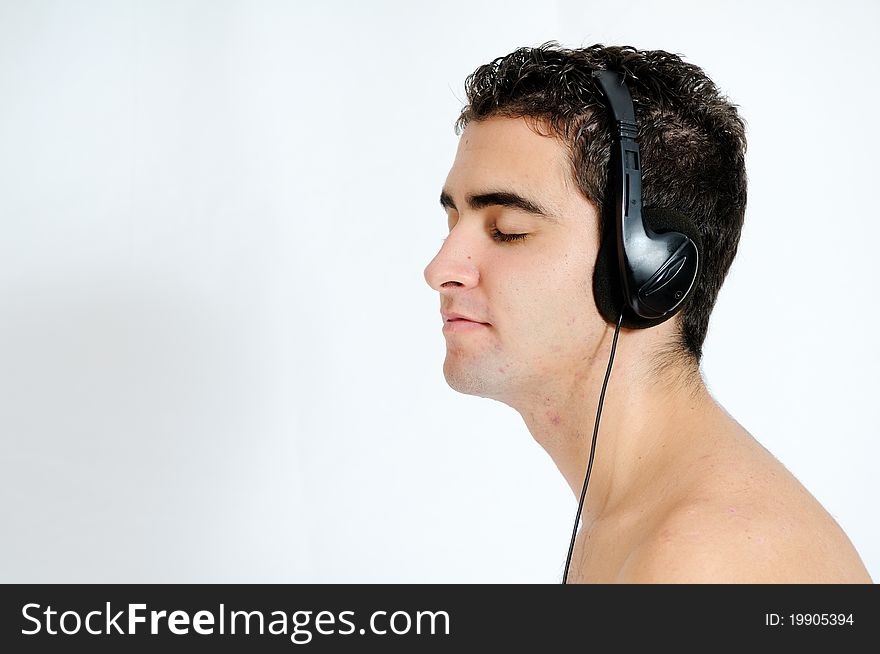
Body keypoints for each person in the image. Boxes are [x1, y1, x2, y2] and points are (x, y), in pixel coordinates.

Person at [423, 42, 872, 583]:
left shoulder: (707, 562)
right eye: (453, 224)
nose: (441, 268)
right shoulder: (644, 526)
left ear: (643, 269)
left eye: (507, 230)